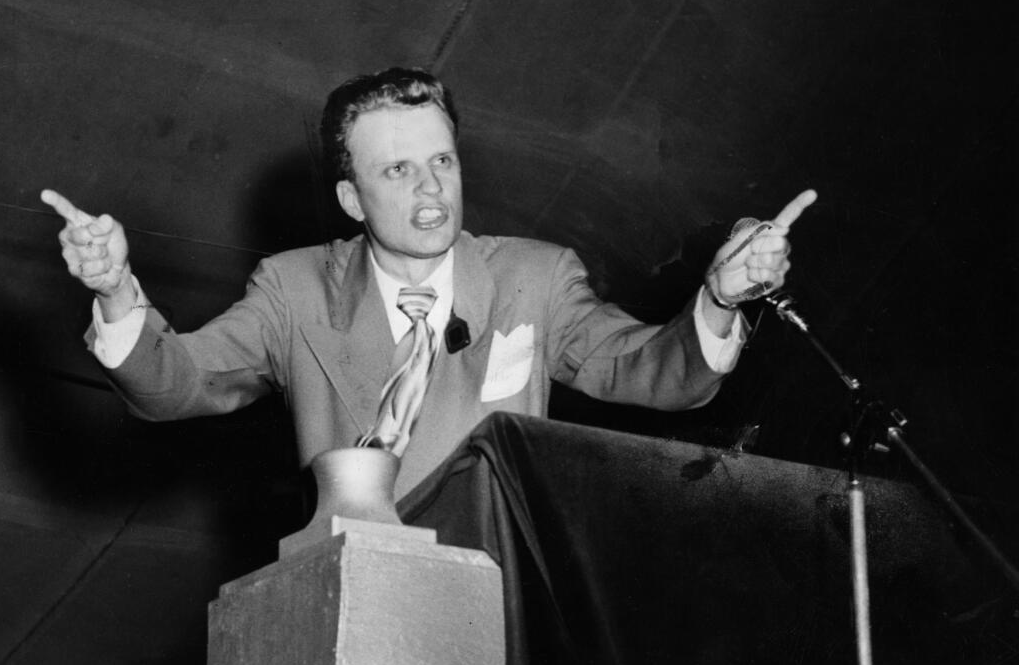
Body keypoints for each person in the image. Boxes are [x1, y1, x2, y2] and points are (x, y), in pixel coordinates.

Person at [43, 67, 814, 498]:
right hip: (352, 586)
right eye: (399, 170)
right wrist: (117, 292)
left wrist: (718, 300)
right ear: (351, 200)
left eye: (442, 162)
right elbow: (177, 385)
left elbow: (654, 372)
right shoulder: (293, 289)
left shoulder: (534, 278)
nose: (431, 192)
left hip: (493, 597)